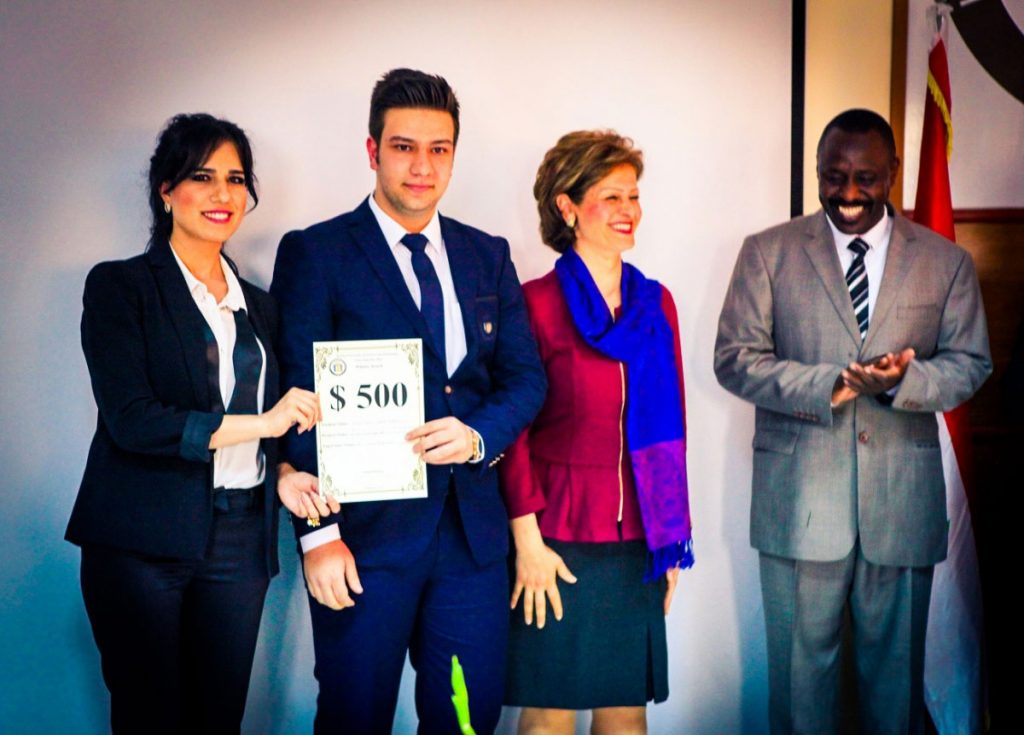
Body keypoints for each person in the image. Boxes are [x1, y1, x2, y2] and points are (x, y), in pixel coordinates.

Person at [270, 69, 547, 734]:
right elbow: (297, 397)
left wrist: (478, 436)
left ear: (454, 154)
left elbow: (525, 379)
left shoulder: (486, 254)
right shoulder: (317, 253)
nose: (422, 166)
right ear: (373, 151)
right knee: (354, 718)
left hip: (471, 540)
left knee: (466, 719)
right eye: (403, 147)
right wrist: (319, 536)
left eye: (438, 149)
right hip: (363, 541)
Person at [714, 109, 992, 734]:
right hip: (799, 506)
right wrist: (830, 385)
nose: (847, 192)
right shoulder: (768, 252)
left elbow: (971, 363)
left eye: (865, 178)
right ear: (817, 170)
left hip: (904, 508)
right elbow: (734, 360)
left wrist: (903, 384)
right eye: (832, 176)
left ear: (893, 171)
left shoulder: (946, 261)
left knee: (894, 699)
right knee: (800, 695)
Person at [66, 113, 335, 733]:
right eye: (202, 176)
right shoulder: (120, 287)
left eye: (235, 179)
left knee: (219, 719)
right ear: (166, 190)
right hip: (140, 543)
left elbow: (270, 424)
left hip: (240, 541)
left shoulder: (259, 305)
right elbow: (134, 421)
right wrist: (265, 424)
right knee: (151, 718)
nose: (222, 194)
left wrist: (284, 472)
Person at [500, 131, 694, 735]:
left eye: (633, 196)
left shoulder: (656, 304)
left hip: (638, 542)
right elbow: (512, 434)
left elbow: (673, 427)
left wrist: (671, 540)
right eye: (611, 197)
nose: (628, 210)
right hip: (554, 541)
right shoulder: (532, 304)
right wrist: (527, 545)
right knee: (548, 718)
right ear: (567, 207)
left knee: (626, 718)